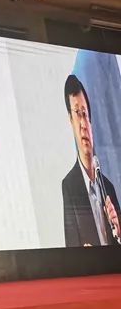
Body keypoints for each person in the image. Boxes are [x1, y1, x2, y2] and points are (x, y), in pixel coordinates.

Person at [62, 74, 121, 247]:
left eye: (85, 114)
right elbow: (70, 250)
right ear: (70, 120)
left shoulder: (108, 188)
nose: (83, 124)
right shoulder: (69, 186)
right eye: (77, 114)